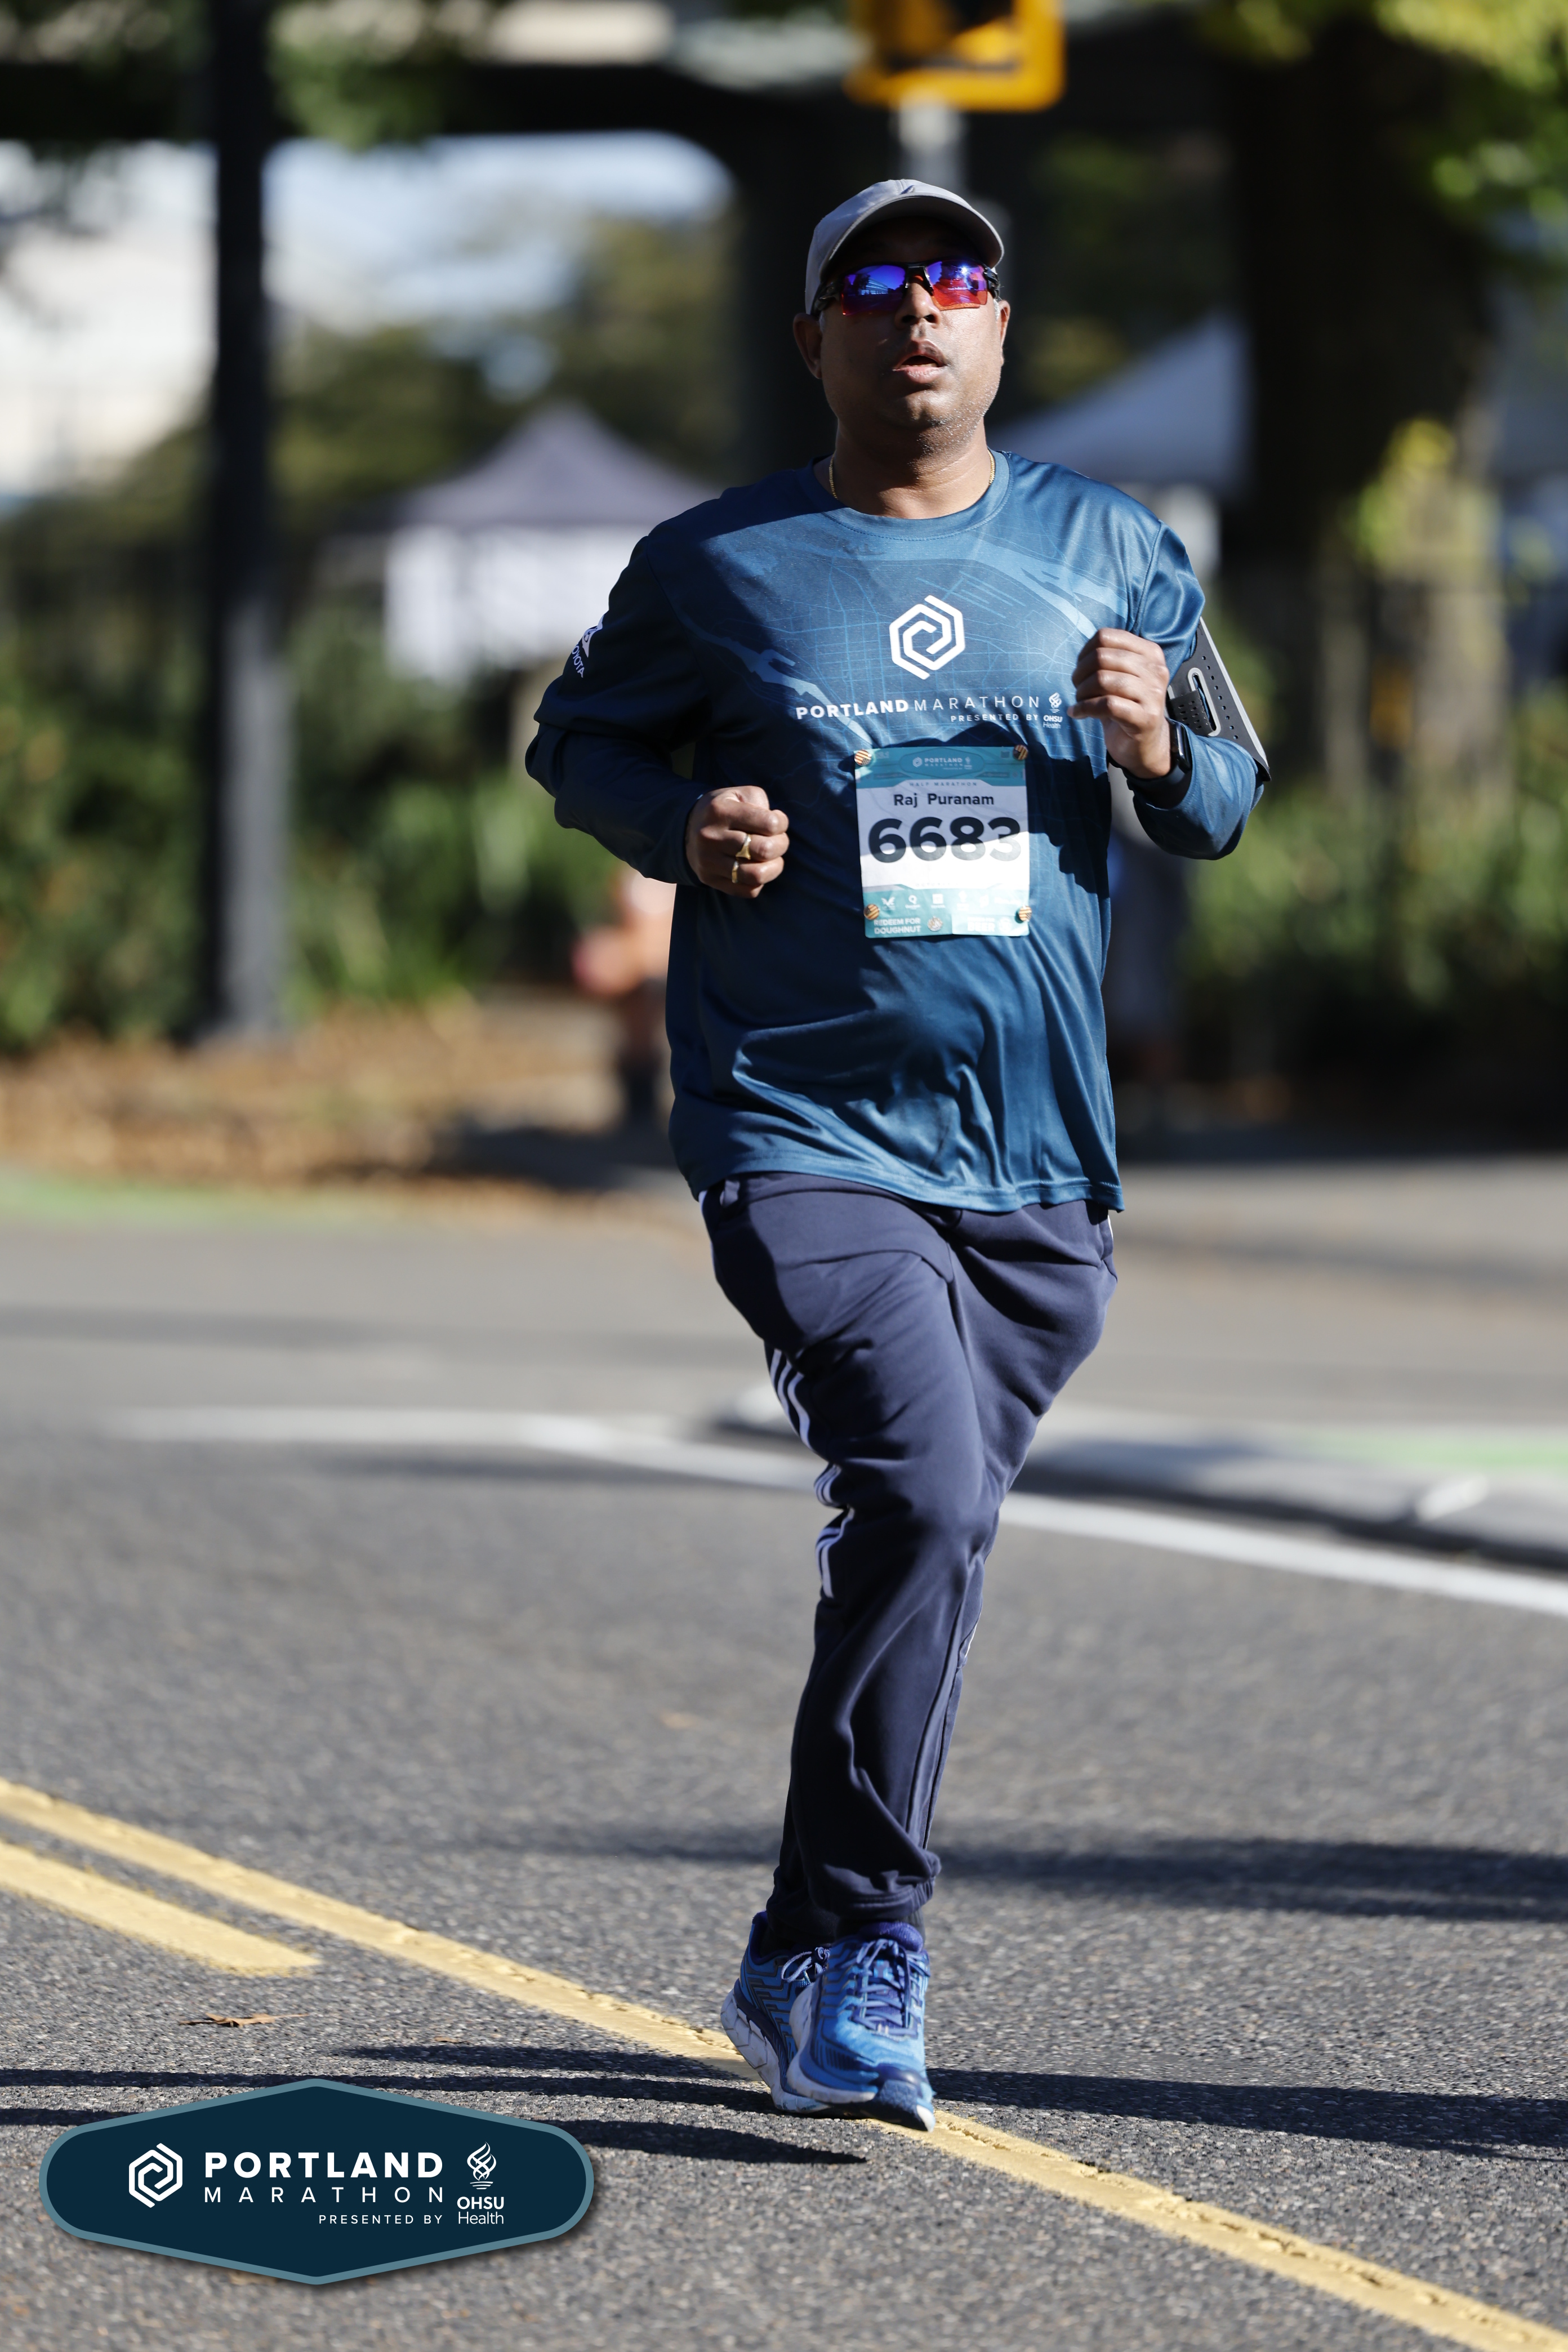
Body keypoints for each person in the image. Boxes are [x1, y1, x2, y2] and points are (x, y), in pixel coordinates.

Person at [527, 178, 1261, 2132]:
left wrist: (1161, 749)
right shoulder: (717, 563)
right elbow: (577, 742)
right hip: (797, 1121)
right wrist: (682, 828)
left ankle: (796, 1946)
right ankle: (868, 1947)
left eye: (956, 278)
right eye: (874, 281)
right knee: (923, 1498)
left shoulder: (1114, 550)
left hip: (1036, 1161)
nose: (918, 307)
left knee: (918, 1539)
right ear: (816, 339)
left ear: (1001, 330)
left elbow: (1226, 799)